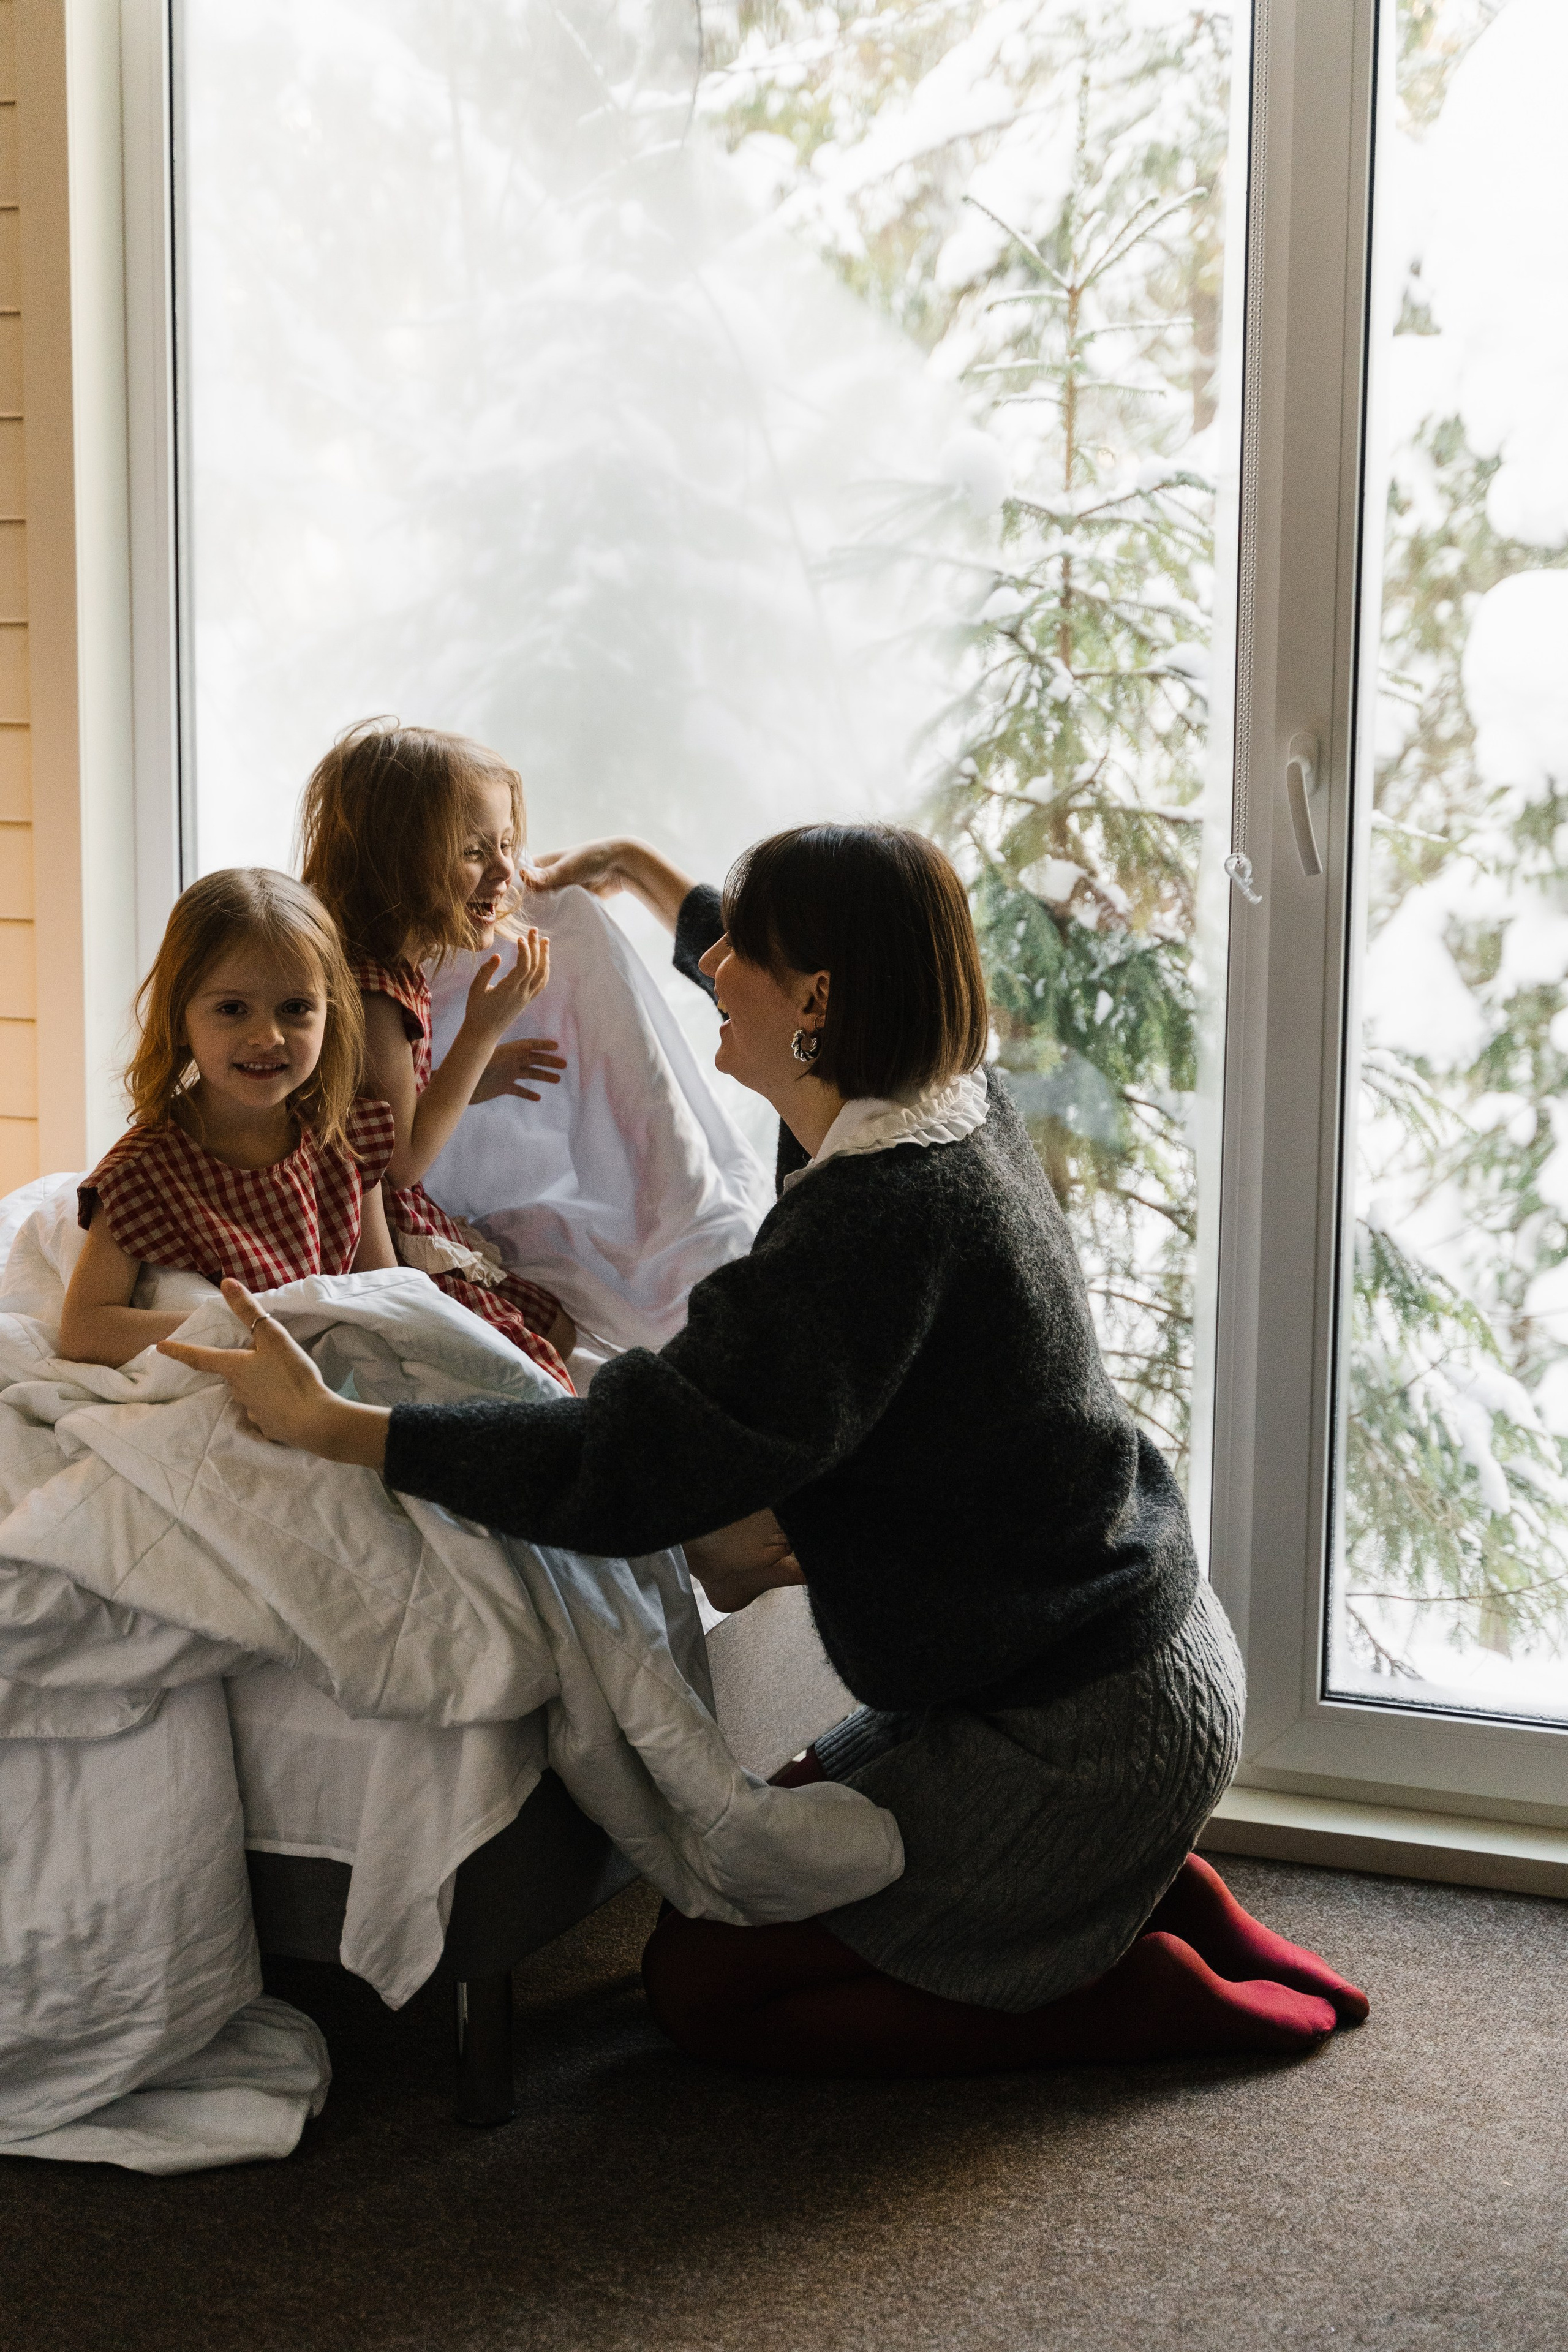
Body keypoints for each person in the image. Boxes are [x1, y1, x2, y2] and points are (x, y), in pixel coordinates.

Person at [161, 823, 1370, 2077]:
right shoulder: (938, 1103)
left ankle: (1114, 1987)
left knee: (701, 1984)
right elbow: (789, 977)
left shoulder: (873, 1222)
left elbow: (622, 1466)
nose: (711, 964)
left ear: (818, 997)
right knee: (762, 1845)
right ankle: (1143, 1893)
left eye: (740, 945)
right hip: (1119, 1653)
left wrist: (340, 1425)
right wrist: (638, 875)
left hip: (1077, 1736)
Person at [299, 718, 576, 1390]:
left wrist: (478, 1075)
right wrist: (482, 1033)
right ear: (396, 862)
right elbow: (401, 1160)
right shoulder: (373, 996)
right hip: (371, 1230)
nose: (508, 870)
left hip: (384, 1205)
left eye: (507, 844)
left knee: (559, 1322)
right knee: (540, 1365)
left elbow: (375, 1104)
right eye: (475, 851)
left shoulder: (381, 965)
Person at [61, 867, 399, 1368]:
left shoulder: (345, 1133)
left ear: (331, 1013)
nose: (268, 1036)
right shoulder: (144, 1171)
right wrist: (258, 1325)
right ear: (179, 1018)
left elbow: (386, 1291)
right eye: (233, 1009)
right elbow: (84, 1332)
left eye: (295, 1007)